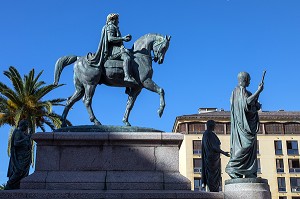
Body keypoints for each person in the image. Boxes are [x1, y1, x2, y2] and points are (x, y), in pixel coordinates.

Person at [225, 72, 264, 179]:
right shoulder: (238, 91)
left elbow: (252, 103)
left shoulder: (246, 92)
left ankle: (249, 172)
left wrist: (257, 101)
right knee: (244, 147)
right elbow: (246, 103)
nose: (250, 81)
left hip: (249, 125)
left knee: (250, 149)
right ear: (245, 79)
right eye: (249, 79)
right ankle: (232, 167)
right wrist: (258, 91)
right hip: (242, 126)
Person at [86, 13, 136, 83]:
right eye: (117, 20)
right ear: (113, 20)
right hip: (112, 50)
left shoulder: (113, 27)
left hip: (115, 48)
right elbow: (110, 39)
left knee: (129, 53)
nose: (118, 22)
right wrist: (123, 38)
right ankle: (127, 76)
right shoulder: (111, 27)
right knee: (127, 57)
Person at [201, 120, 230, 192]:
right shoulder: (208, 134)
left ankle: (214, 190)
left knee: (214, 176)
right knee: (212, 176)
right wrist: (223, 153)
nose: (215, 127)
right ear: (211, 125)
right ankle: (213, 191)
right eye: (214, 125)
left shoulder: (208, 134)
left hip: (213, 159)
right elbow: (214, 147)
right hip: (211, 159)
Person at [5, 120, 32, 190]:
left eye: (27, 126)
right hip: (20, 156)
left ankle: (18, 185)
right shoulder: (17, 132)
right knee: (18, 171)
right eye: (26, 125)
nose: (27, 127)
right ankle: (9, 184)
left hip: (26, 156)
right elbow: (16, 143)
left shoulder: (24, 134)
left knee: (24, 173)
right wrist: (26, 139)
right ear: (22, 125)